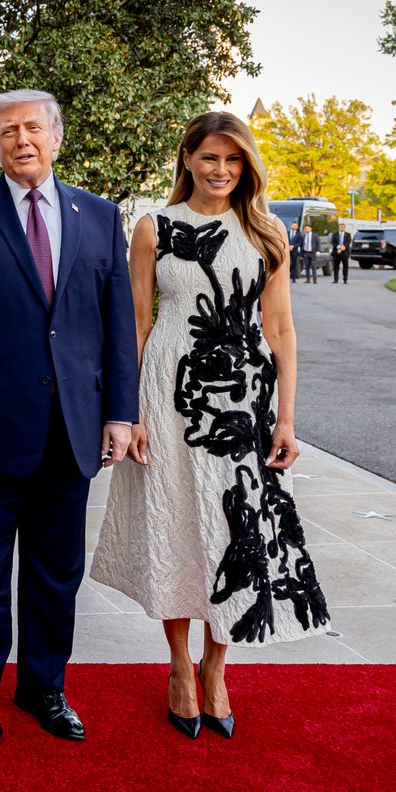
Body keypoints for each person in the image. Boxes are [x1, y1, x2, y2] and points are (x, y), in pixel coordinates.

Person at [91, 111, 331, 741]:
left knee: (235, 530)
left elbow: (280, 329)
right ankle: (178, 666)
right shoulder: (154, 227)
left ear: (246, 165)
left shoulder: (266, 232)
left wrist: (287, 419)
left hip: (245, 405)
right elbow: (137, 324)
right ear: (188, 160)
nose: (220, 170)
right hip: (168, 398)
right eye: (209, 158)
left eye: (232, 159)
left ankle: (215, 667)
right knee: (174, 525)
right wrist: (130, 411)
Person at [0, 89, 137, 747]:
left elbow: (117, 327)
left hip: (72, 430)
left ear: (56, 137)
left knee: (56, 572)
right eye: (9, 131)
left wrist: (120, 413)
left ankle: (45, 687)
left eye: (34, 128)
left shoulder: (100, 216)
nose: (22, 140)